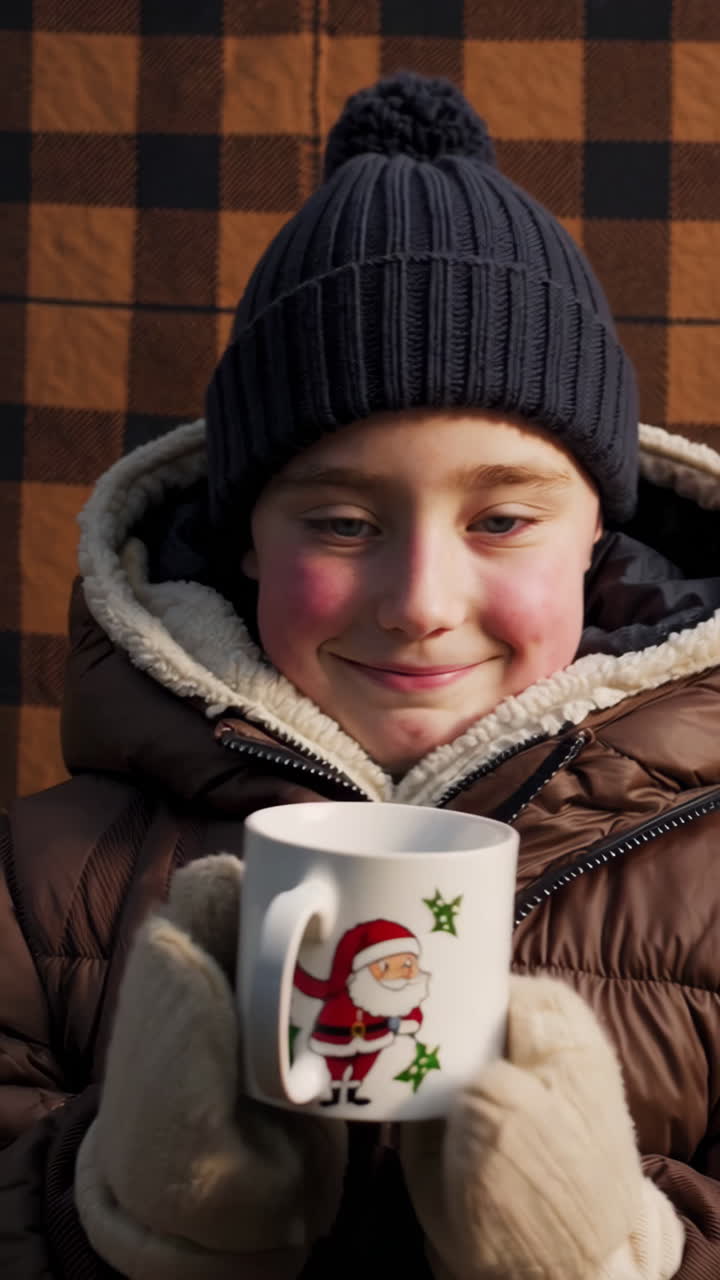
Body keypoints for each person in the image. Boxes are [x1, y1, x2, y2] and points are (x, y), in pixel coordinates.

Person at [1, 70, 720, 1279]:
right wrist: (108, 1201)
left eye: (501, 521)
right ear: (245, 537)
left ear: (599, 535)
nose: (422, 601)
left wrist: (625, 1246)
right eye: (341, 523)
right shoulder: (41, 881)